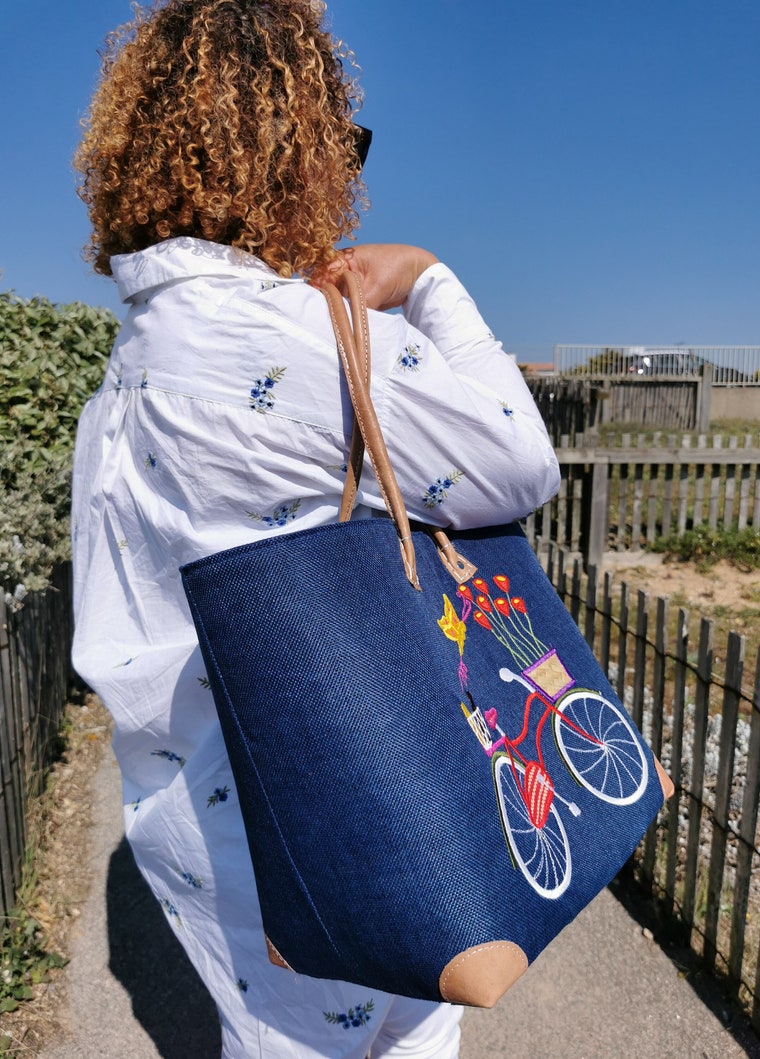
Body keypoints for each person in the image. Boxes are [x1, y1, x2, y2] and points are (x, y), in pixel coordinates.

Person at [71, 1, 561, 1056]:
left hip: (209, 834)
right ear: (292, 148)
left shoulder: (120, 380)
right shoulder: (305, 340)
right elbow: (519, 463)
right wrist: (428, 278)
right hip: (372, 807)